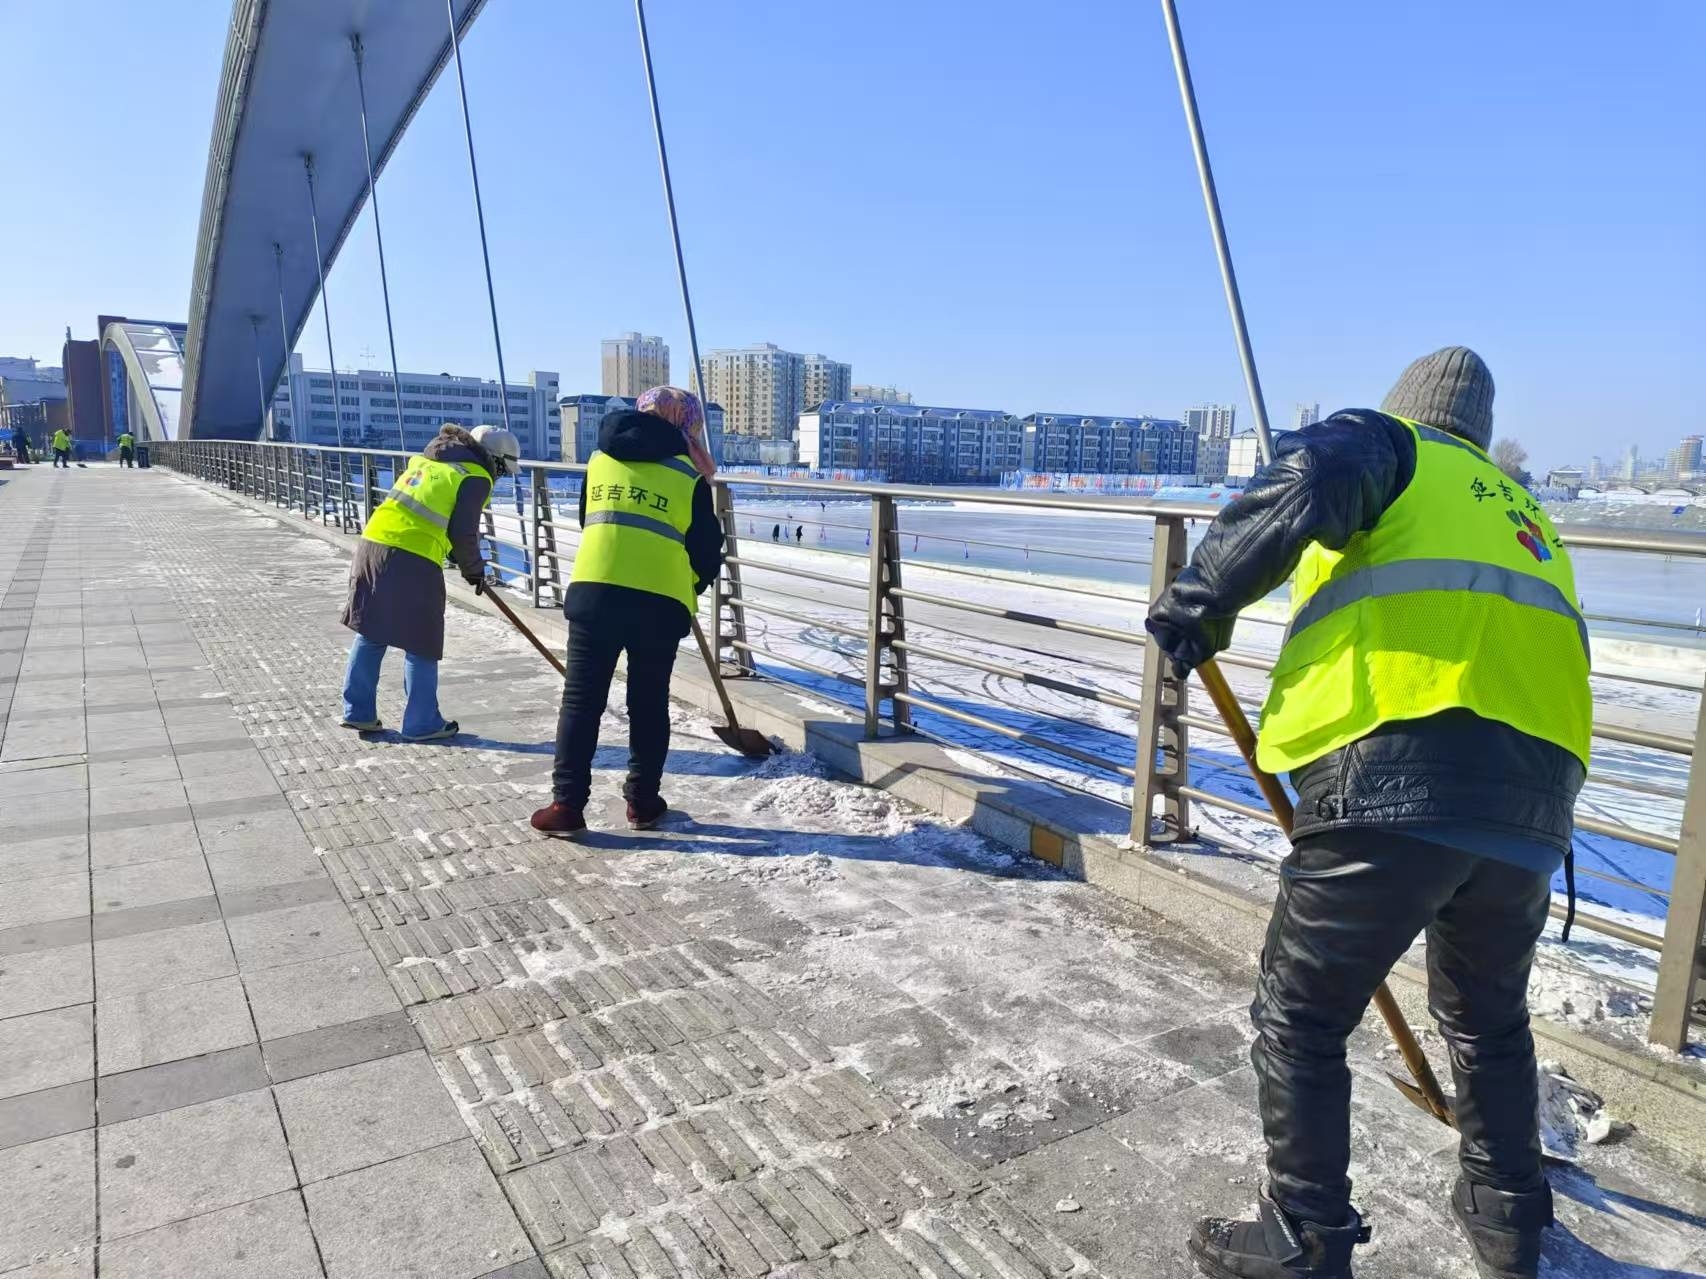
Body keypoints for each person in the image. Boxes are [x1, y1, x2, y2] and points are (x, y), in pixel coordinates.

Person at [1146, 349, 1590, 1279]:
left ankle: (1304, 1236)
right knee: (1488, 1018)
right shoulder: (1525, 514)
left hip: (1392, 777)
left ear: (1415, 409)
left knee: (1300, 1015)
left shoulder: (1395, 449)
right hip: (1531, 807)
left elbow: (1311, 471)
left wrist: (1200, 601)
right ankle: (1507, 1215)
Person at [531, 385, 723, 837]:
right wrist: (688, 585)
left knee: (581, 700)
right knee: (648, 703)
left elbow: (588, 518)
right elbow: (706, 550)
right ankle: (642, 803)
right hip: (659, 603)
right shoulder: (688, 476)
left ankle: (566, 806)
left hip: (595, 592)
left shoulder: (599, 461)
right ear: (686, 423)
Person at [339, 422, 520, 740]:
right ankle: (422, 723)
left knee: (372, 631)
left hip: (372, 544)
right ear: (495, 460)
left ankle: (358, 713)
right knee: (422, 640)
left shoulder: (429, 460)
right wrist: (474, 570)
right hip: (412, 556)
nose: (501, 477)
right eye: (504, 470)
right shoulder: (474, 476)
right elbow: (462, 532)